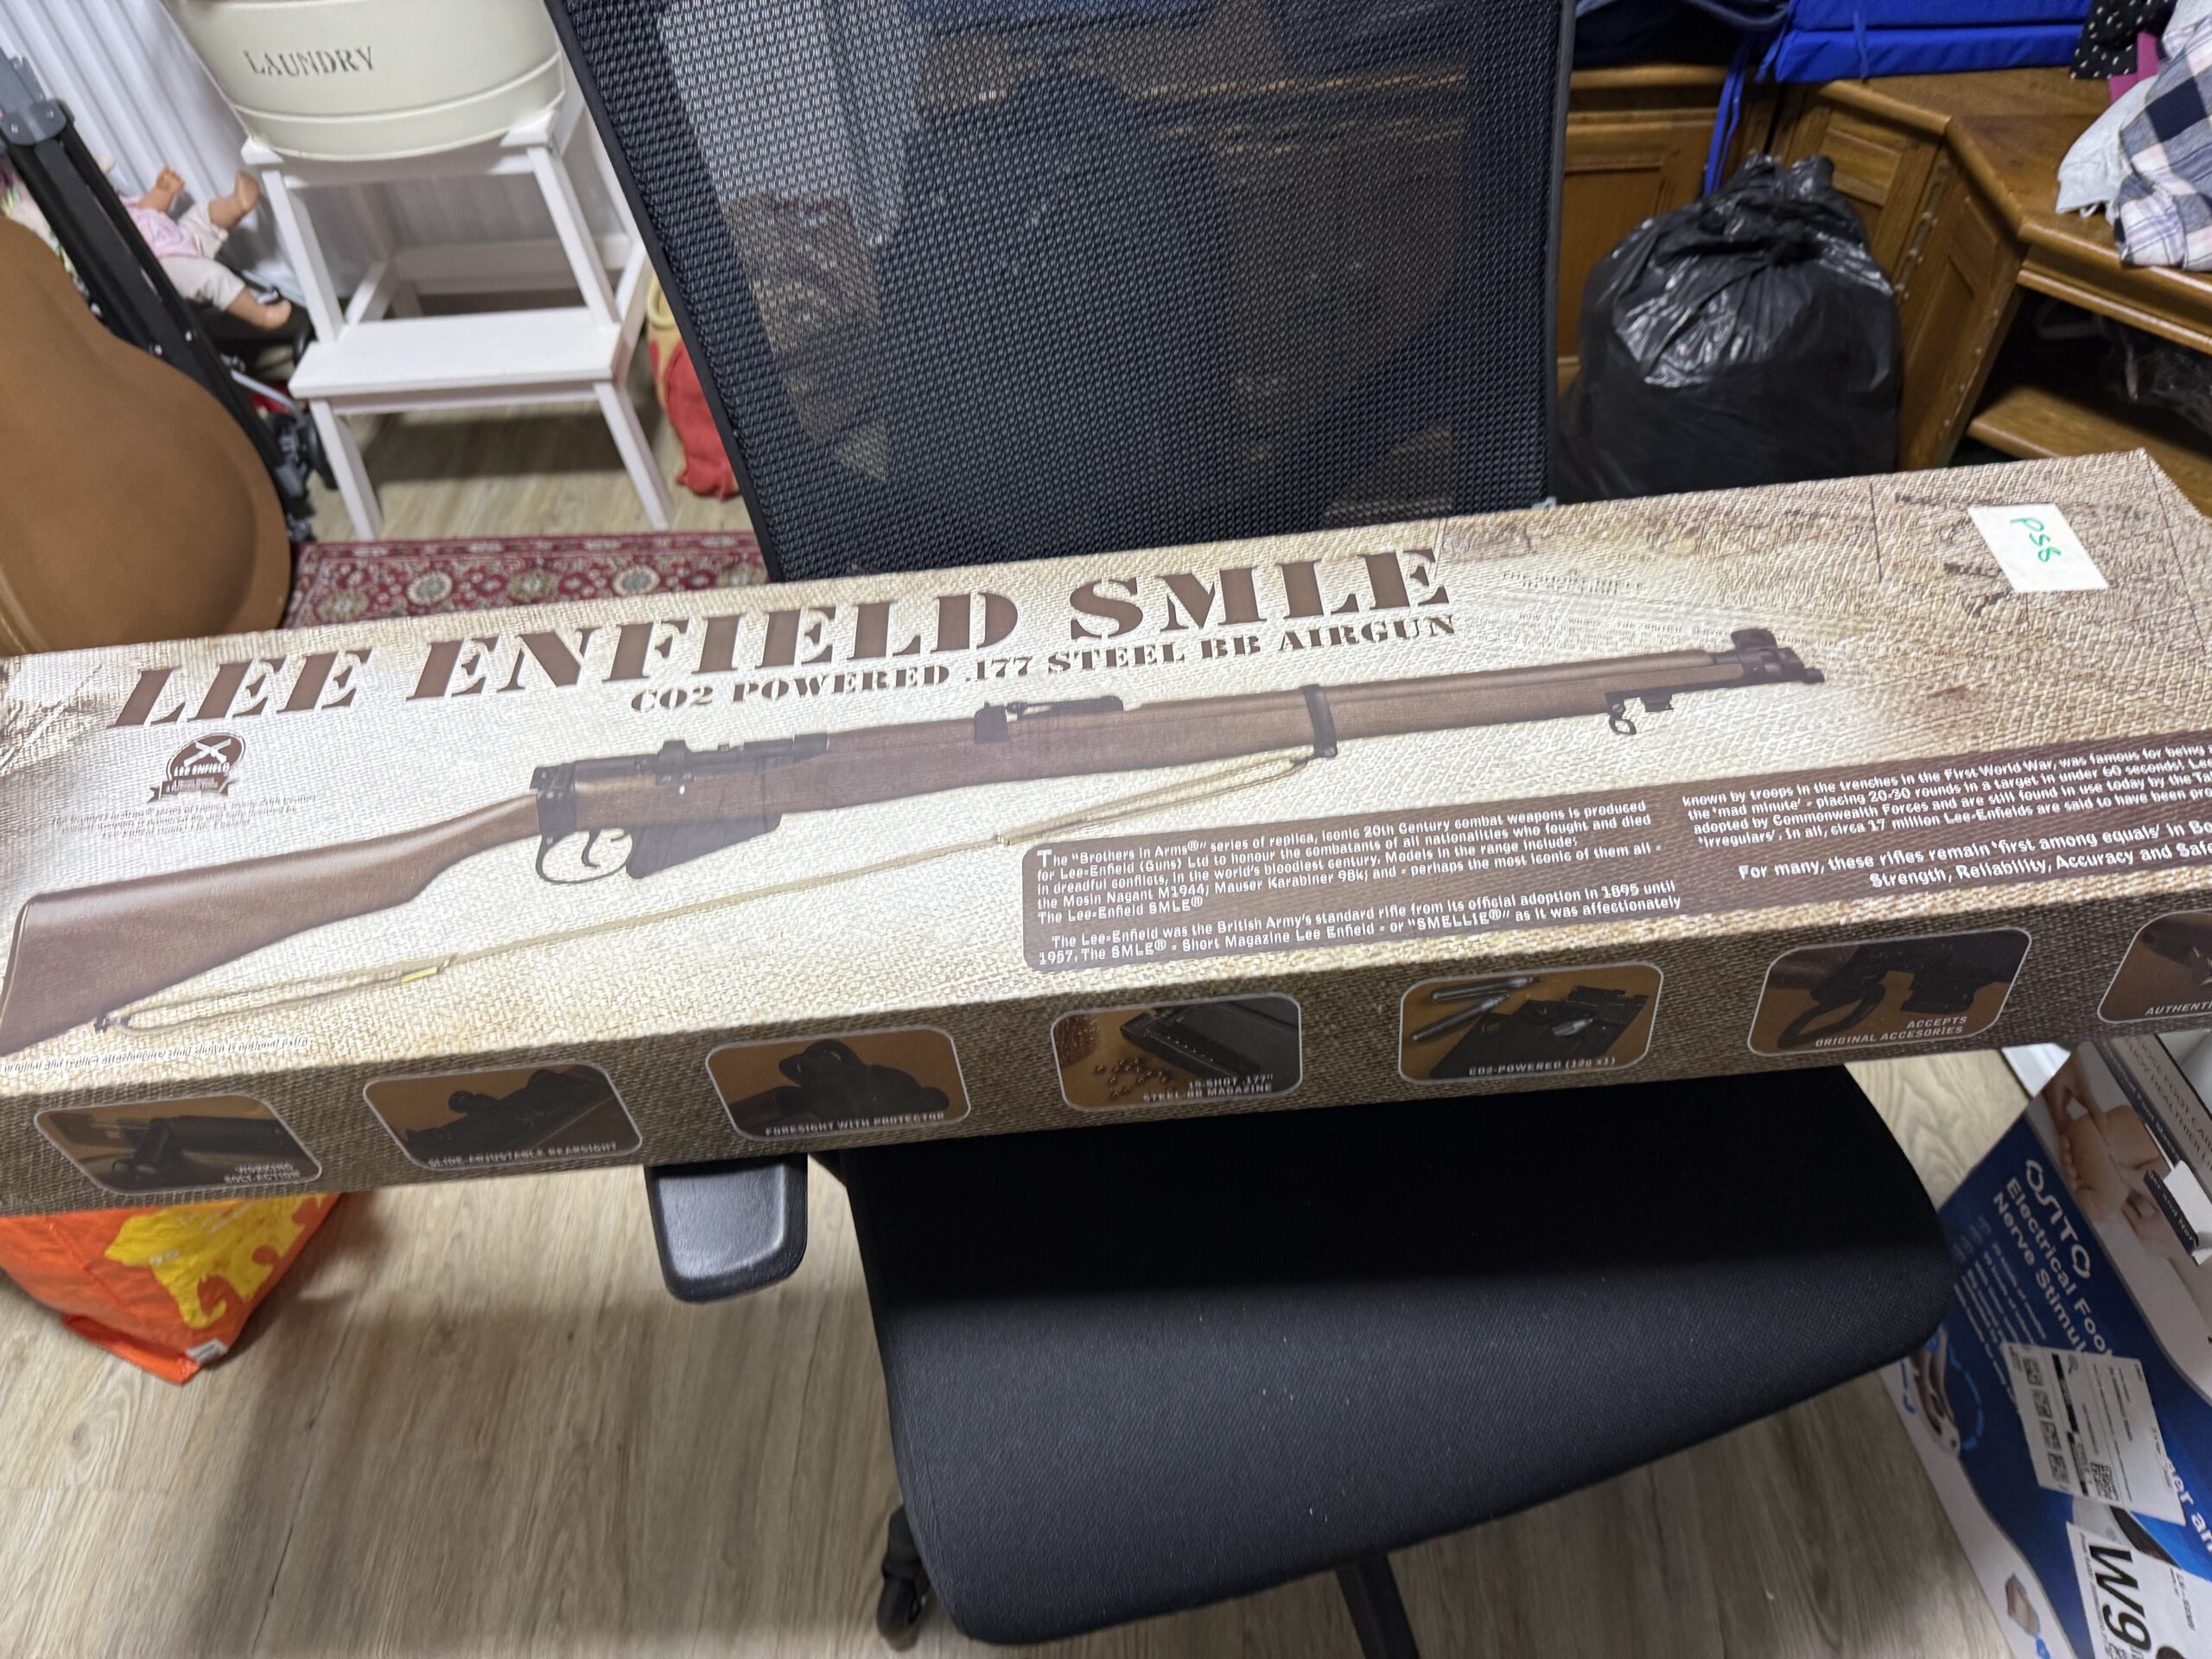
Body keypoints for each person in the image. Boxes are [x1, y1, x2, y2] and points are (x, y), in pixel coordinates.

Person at [125, 166, 291, 332]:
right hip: (159, 264)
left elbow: (146, 210)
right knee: (213, 277)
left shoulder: (118, 204)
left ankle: (237, 204)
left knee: (200, 216)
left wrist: (163, 190)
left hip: (175, 237)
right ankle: (263, 316)